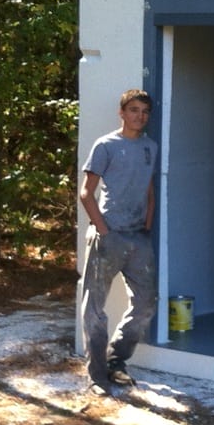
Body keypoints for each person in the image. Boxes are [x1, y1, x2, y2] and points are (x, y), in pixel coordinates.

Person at [79, 89, 158, 396]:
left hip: (138, 238)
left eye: (145, 111)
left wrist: (147, 228)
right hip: (108, 236)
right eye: (134, 110)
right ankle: (97, 377)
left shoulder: (150, 147)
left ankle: (116, 362)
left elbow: (149, 192)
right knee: (95, 309)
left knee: (145, 303)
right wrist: (104, 231)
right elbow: (86, 193)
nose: (140, 116)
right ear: (122, 112)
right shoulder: (106, 145)